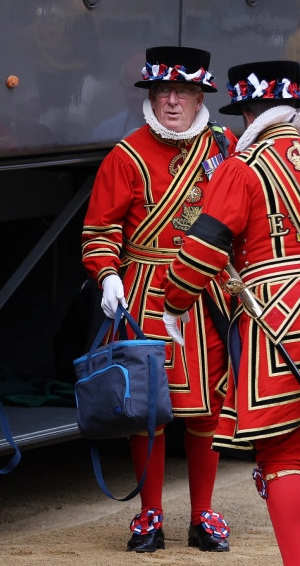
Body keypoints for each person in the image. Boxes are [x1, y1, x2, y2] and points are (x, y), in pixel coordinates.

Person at [162, 60, 300, 566]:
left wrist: (175, 301)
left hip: (278, 315)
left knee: (281, 450)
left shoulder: (241, 169)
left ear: (249, 114)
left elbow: (205, 248)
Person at [81, 46, 237, 553]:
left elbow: (244, 214)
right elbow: (100, 229)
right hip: (144, 292)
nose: (172, 101)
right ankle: (150, 514)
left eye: (183, 92)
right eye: (163, 91)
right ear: (150, 96)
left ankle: (203, 514)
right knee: (145, 408)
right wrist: (108, 275)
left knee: (207, 408)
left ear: (199, 98)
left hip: (207, 293)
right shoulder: (125, 155)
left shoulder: (225, 146)